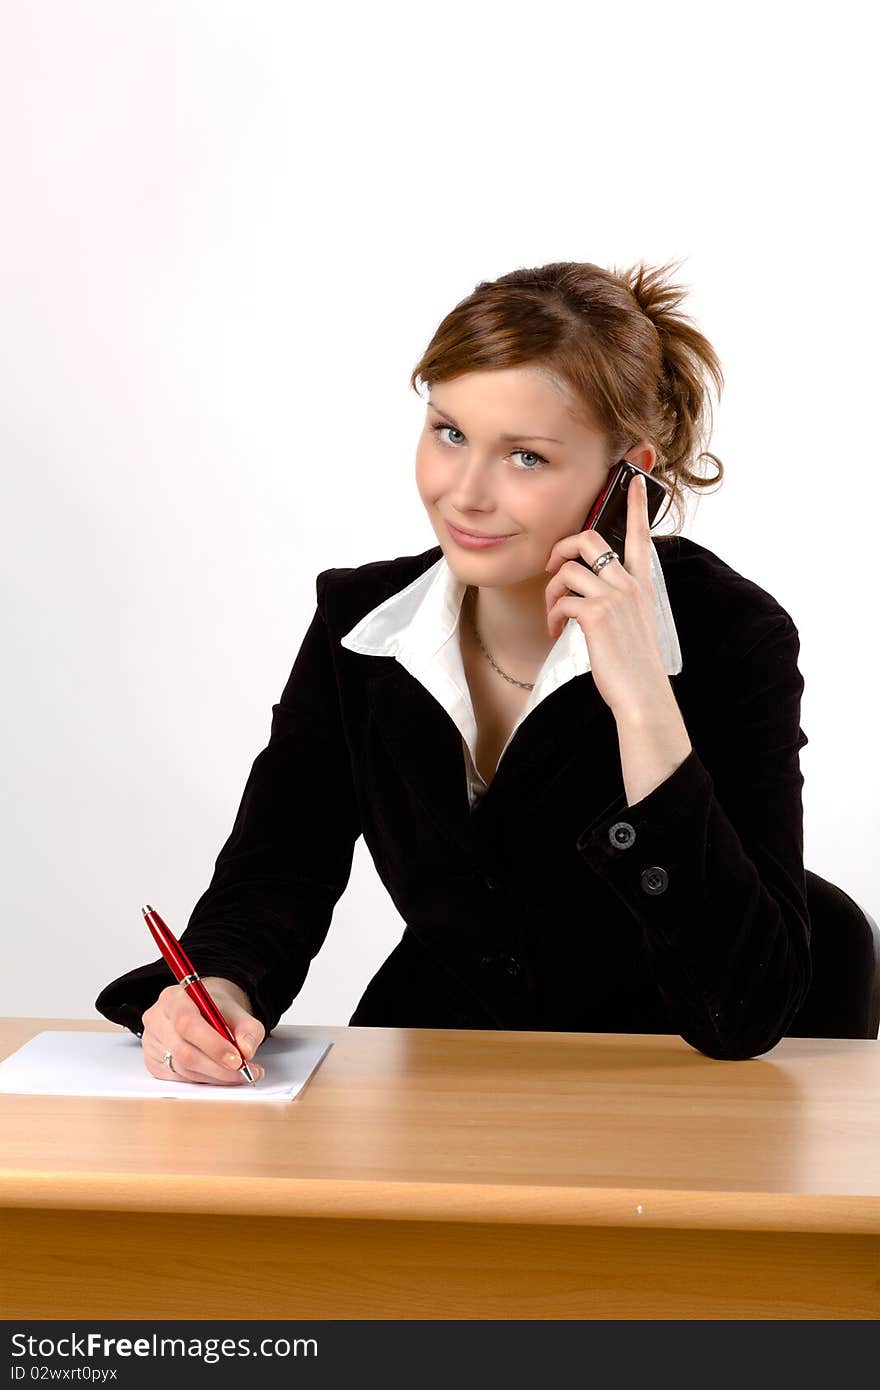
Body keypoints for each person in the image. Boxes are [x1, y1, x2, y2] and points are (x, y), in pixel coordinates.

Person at [95, 258, 812, 1082]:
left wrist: (645, 701)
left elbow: (748, 1009)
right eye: (449, 433)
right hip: (428, 1086)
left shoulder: (730, 636)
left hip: (656, 1104)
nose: (464, 493)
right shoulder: (359, 625)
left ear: (629, 477)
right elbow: (276, 872)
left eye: (527, 458)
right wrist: (217, 986)